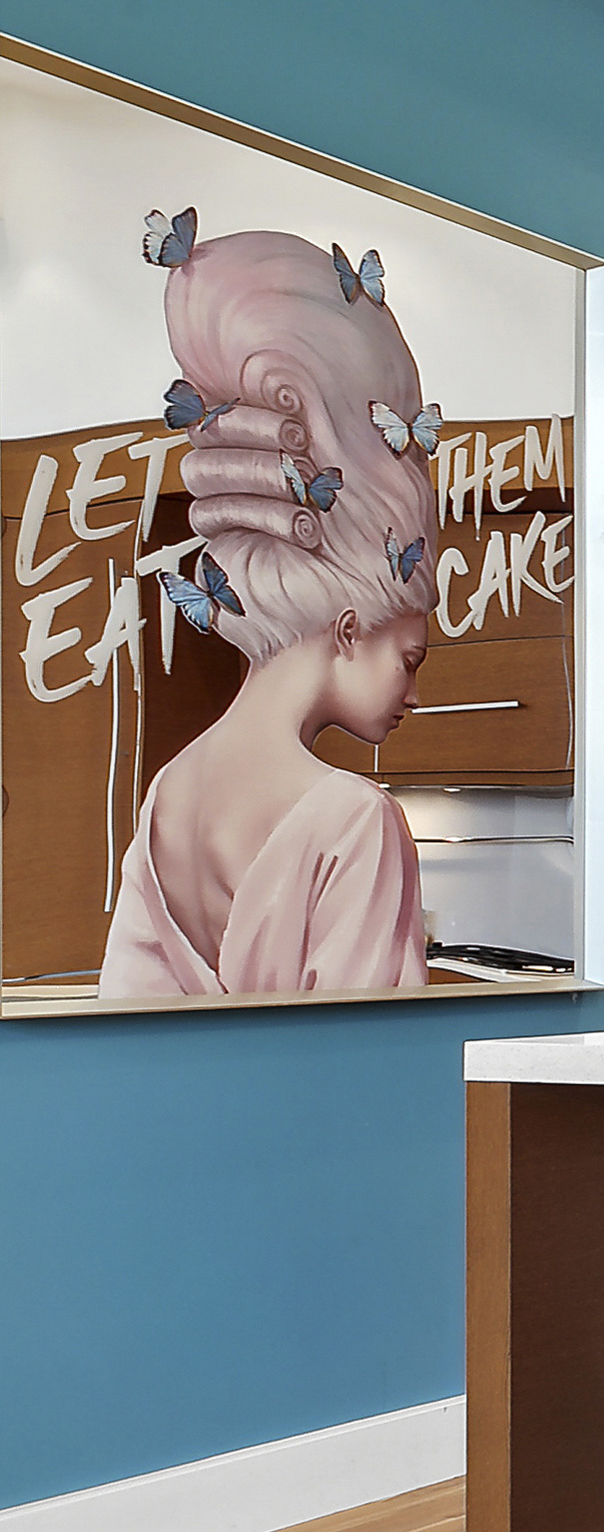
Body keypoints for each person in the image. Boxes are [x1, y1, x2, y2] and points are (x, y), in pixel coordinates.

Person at [97, 222, 443, 998]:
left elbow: (127, 1010)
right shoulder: (354, 818)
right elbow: (369, 1049)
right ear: (348, 630)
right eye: (409, 659)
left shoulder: (168, 794)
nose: (414, 694)